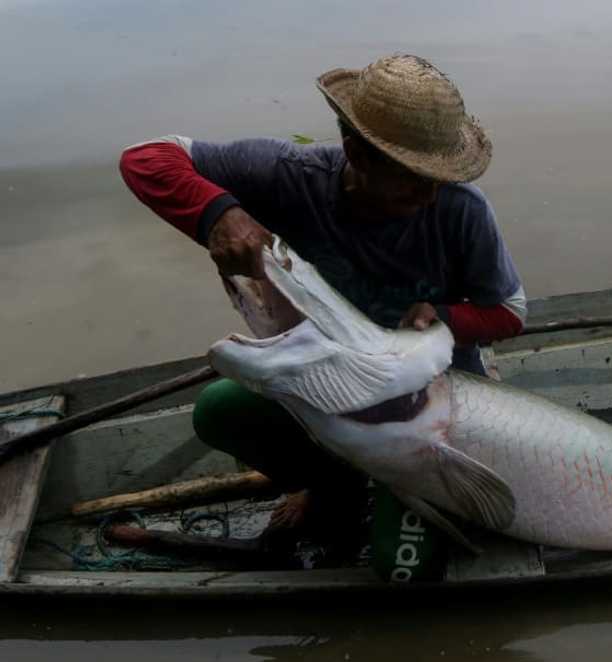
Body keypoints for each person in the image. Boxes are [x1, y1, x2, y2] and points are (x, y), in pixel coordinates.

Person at [119, 54, 526, 543]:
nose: (431, 193)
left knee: (405, 565)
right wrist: (219, 216)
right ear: (356, 153)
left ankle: (402, 480)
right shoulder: (291, 176)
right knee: (220, 410)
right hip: (323, 385)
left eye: (438, 176)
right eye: (413, 175)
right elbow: (146, 158)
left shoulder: (462, 211)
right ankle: (333, 485)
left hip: (432, 403)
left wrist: (442, 316)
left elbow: (507, 313)